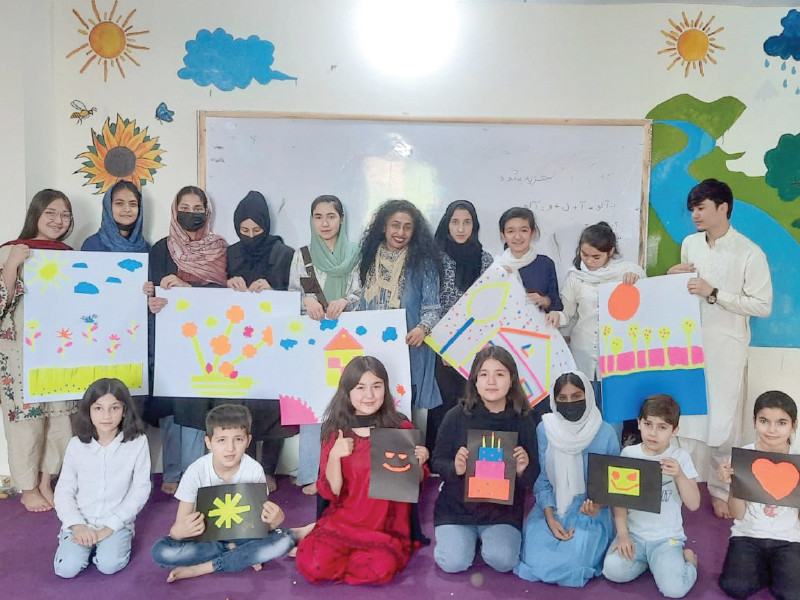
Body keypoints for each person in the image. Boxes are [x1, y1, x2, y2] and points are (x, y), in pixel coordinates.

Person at [667, 179, 772, 518]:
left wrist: (714, 293)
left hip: (726, 347)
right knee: (685, 417)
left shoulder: (749, 252)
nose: (695, 215)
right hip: (688, 344)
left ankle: (720, 488)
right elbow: (682, 290)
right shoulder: (690, 244)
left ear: (723, 207)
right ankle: (676, 483)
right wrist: (672, 277)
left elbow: (762, 306)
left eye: (701, 208)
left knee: (721, 424)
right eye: (693, 209)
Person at [295, 356, 429, 585]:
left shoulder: (400, 427)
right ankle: (334, 549)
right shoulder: (336, 432)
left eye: (377, 386)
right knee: (312, 565)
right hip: (344, 521)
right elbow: (331, 492)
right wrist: (335, 456)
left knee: (378, 571)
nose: (369, 395)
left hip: (386, 526)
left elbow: (413, 484)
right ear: (347, 392)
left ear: (385, 389)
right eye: (360, 388)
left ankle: (343, 555)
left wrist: (419, 461)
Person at [151, 404, 306, 582]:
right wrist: (178, 532)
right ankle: (240, 555)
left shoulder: (254, 470)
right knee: (161, 551)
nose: (230, 448)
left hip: (243, 536)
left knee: (283, 541)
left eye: (238, 439)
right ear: (209, 442)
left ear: (248, 441)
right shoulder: (196, 471)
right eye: (221, 440)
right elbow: (178, 527)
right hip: (205, 539)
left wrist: (274, 522)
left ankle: (202, 568)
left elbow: (258, 525)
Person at [145, 185, 228, 494]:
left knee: (195, 404)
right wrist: (152, 299)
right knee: (169, 404)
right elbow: (153, 292)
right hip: (169, 339)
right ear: (174, 209)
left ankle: (193, 474)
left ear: (207, 213)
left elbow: (223, 299)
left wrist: (188, 291)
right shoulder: (160, 248)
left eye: (198, 209)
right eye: (185, 207)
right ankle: (172, 470)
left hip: (205, 339)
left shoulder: (218, 248)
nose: (191, 214)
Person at [0, 189, 77, 512]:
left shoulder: (69, 255)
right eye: (51, 213)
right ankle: (28, 486)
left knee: (61, 418)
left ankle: (47, 480)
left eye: (65, 215)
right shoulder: (11, 251)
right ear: (36, 214)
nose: (59, 220)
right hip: (20, 352)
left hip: (59, 347)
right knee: (26, 419)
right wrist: (11, 267)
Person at [432, 346, 538, 574]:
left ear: (512, 380)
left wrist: (522, 469)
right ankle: (464, 539)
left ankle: (484, 539)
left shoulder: (523, 420)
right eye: (484, 374)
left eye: (499, 374)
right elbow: (437, 461)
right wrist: (456, 468)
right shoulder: (455, 416)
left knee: (503, 561)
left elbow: (533, 475)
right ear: (475, 381)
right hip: (457, 507)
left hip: (502, 511)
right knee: (453, 563)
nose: (491, 381)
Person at [515, 371, 619, 587]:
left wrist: (598, 505)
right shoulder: (546, 429)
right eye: (562, 398)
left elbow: (614, 482)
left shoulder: (605, 432)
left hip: (593, 510)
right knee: (536, 556)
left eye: (576, 396)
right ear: (554, 400)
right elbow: (542, 481)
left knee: (576, 560)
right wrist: (551, 519)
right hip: (553, 505)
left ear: (588, 396)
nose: (570, 403)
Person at [287, 194, 361, 495]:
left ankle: (346, 473)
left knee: (350, 402)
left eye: (331, 216)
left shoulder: (356, 253)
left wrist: (346, 300)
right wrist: (304, 299)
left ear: (341, 218)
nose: (325, 223)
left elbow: (362, 292)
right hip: (313, 340)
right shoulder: (301, 255)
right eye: (318, 217)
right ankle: (309, 473)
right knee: (312, 404)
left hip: (348, 339)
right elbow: (293, 293)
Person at [226, 190, 297, 492]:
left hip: (272, 342)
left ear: (267, 227)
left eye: (257, 230)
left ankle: (267, 470)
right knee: (238, 402)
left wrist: (274, 288)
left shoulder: (284, 254)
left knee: (269, 404)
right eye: (244, 231)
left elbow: (295, 295)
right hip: (235, 343)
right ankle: (239, 467)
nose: (251, 236)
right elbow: (214, 294)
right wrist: (227, 284)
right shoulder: (230, 254)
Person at [602, 395, 700, 598]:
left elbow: (694, 504)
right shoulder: (629, 454)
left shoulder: (680, 457)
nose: (653, 433)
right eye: (648, 424)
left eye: (662, 427)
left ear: (675, 430)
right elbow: (619, 501)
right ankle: (653, 563)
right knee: (612, 570)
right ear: (639, 424)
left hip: (666, 538)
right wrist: (623, 536)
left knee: (674, 590)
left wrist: (680, 475)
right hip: (635, 535)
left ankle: (689, 562)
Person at [53, 378, 151, 578]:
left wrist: (111, 527)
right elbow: (64, 491)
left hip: (115, 522)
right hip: (80, 521)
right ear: (88, 411)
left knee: (109, 565)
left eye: (114, 408)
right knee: (66, 569)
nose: (106, 416)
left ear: (124, 410)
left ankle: (108, 544)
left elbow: (140, 490)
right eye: (98, 408)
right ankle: (78, 544)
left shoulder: (138, 442)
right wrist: (77, 526)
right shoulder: (76, 445)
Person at [359, 199, 442, 413]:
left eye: (407, 227)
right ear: (384, 226)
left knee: (401, 416)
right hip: (370, 351)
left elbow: (432, 308)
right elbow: (355, 298)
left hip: (409, 352)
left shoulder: (424, 263)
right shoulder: (366, 259)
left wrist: (422, 328)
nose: (401, 232)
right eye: (395, 225)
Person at [716, 391, 800, 600]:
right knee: (734, 587)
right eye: (764, 421)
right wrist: (733, 484)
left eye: (781, 423)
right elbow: (737, 514)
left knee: (792, 594)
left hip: (788, 539)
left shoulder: (796, 460)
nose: (772, 430)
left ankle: (777, 569)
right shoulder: (744, 457)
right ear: (754, 422)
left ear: (794, 425)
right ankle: (770, 569)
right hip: (747, 535)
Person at [428, 200, 494, 454]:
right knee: (445, 406)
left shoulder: (485, 259)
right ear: (447, 224)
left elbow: (488, 306)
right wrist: (447, 346)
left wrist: (470, 344)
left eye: (467, 222)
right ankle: (442, 460)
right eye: (455, 222)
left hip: (475, 345)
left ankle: (474, 461)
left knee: (474, 404)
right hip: (442, 347)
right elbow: (432, 302)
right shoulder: (434, 258)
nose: (461, 228)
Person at [494, 207, 561, 312]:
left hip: (537, 326)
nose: (517, 237)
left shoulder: (545, 264)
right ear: (503, 235)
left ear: (533, 233)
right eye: (511, 231)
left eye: (524, 230)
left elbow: (557, 305)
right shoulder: (496, 267)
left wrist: (545, 301)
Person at [81, 180, 151, 253]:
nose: (127, 209)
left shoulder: (146, 248)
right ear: (108, 207)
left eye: (133, 204)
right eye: (119, 204)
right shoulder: (92, 245)